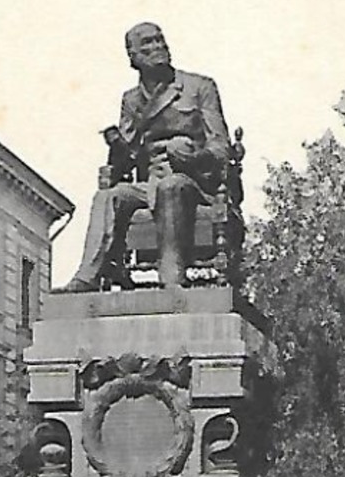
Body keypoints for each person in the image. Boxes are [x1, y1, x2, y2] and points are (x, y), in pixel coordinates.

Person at [64, 22, 232, 291]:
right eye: (147, 44)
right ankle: (89, 274)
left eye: (159, 40)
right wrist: (116, 144)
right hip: (150, 183)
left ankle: (172, 276)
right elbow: (128, 158)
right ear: (133, 56)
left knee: (172, 186)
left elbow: (221, 147)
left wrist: (194, 157)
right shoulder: (131, 100)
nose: (158, 47)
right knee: (108, 196)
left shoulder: (198, 87)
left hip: (195, 182)